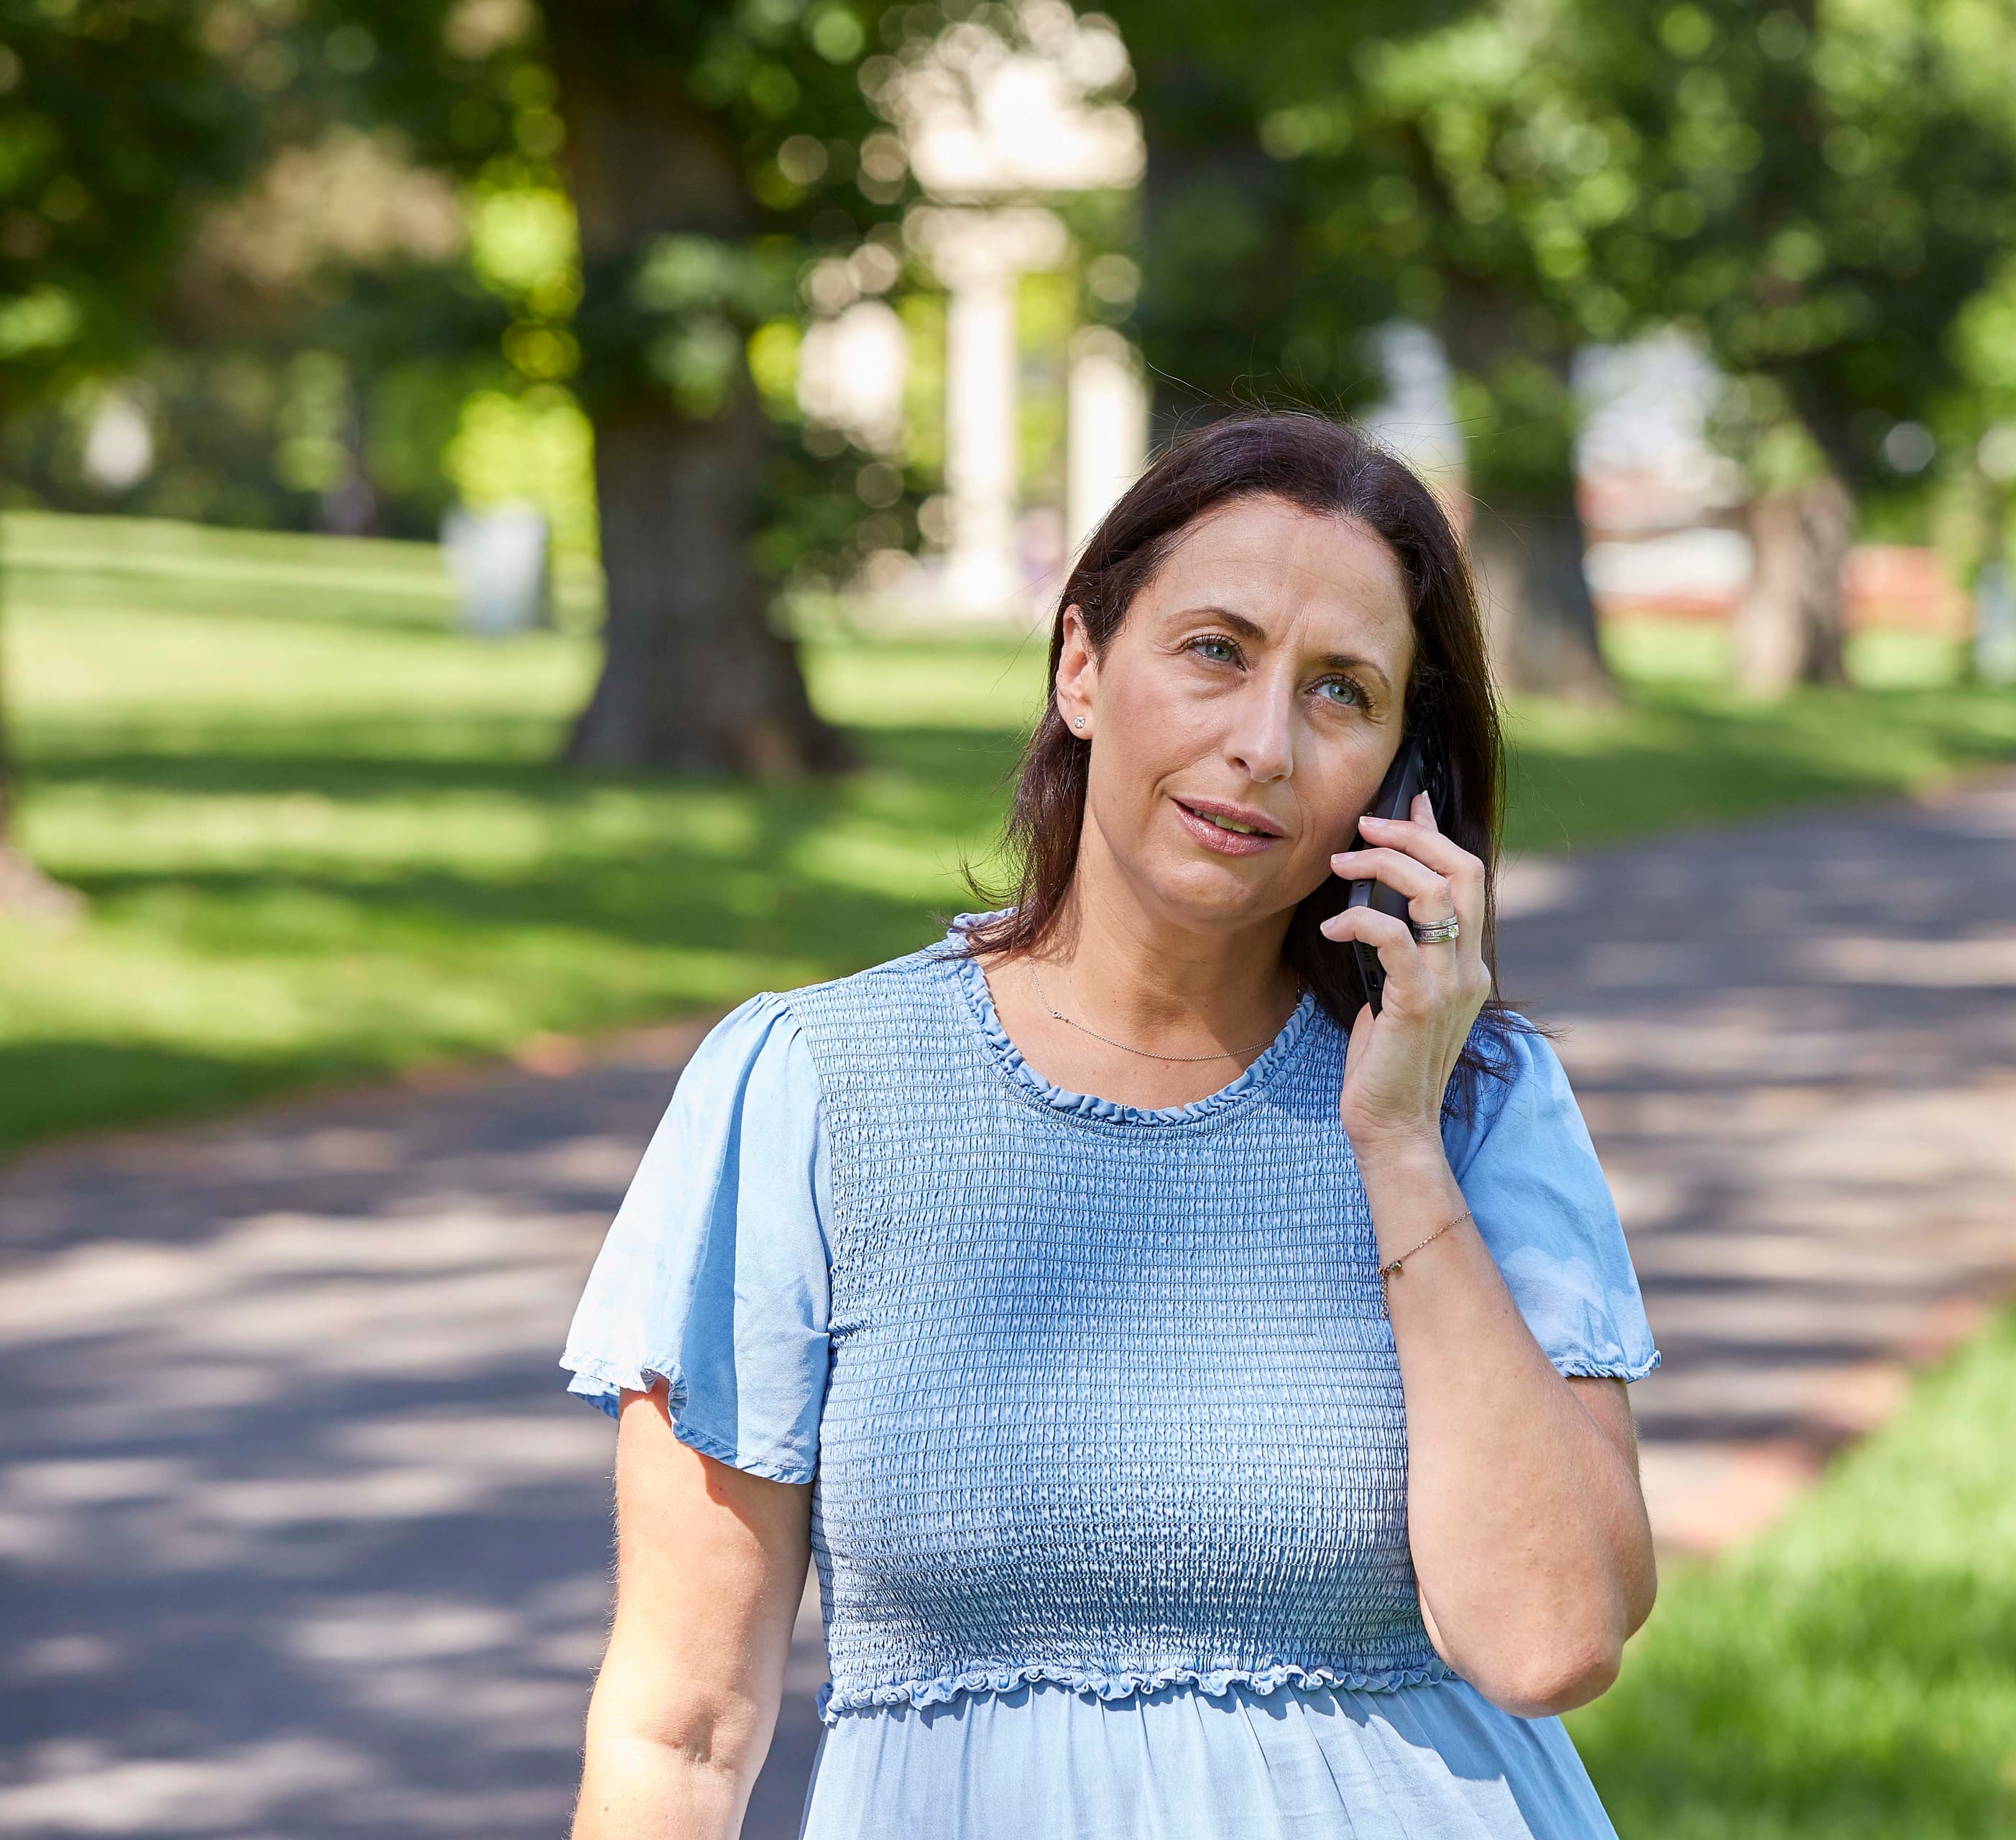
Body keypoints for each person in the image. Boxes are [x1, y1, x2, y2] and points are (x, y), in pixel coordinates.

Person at [556, 411, 1661, 1839]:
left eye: (1342, 691)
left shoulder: (1479, 1101)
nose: (1262, 742)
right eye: (1216, 650)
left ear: (1398, 766)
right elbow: (680, 1727)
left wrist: (1396, 1143)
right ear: (1083, 664)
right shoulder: (813, 1087)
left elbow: (1551, 1638)